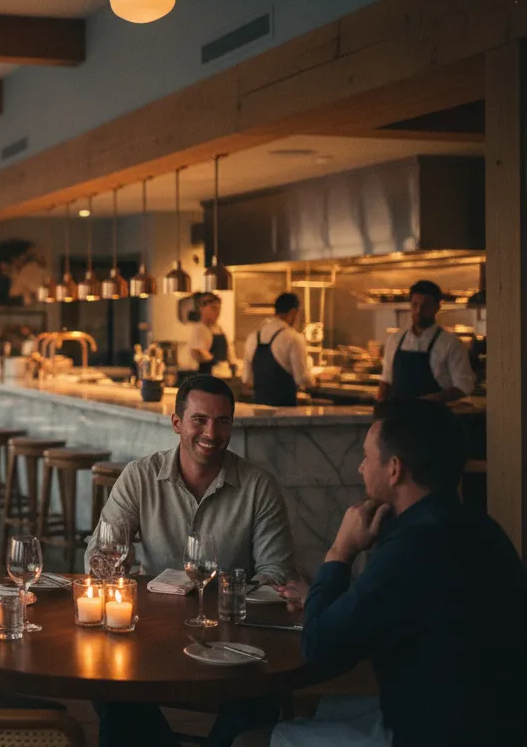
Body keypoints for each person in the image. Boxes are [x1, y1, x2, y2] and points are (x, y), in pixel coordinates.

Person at [238, 400, 527, 747]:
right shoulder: (478, 526)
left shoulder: (414, 547)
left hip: (439, 730)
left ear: (394, 470)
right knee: (327, 706)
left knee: (249, 742)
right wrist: (327, 601)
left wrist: (340, 551)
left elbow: (318, 647)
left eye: (367, 457)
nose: (360, 468)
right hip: (494, 717)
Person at [88, 374, 296, 747]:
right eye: (199, 420)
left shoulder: (258, 486)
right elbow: (102, 551)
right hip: (150, 633)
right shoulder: (140, 476)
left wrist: (230, 599)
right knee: (109, 689)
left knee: (262, 697)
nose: (211, 433)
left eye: (222, 421)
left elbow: (277, 573)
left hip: (232, 640)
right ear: (177, 423)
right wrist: (110, 567)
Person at [376, 280, 475, 402]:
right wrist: (380, 413)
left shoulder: (450, 343)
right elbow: (386, 380)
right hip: (398, 416)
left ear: (437, 307)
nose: (419, 311)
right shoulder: (394, 340)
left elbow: (464, 386)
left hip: (433, 416)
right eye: (415, 305)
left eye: (425, 305)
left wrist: (433, 399)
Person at [242, 293, 316, 407]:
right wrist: (314, 380)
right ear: (293, 312)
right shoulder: (293, 337)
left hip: (259, 410)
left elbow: (246, 378)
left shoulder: (253, 337)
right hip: (285, 410)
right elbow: (301, 378)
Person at [178, 292, 238, 378]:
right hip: (205, 376)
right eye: (213, 308)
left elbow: (229, 350)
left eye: (218, 309)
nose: (217, 312)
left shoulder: (220, 329)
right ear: (202, 308)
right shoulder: (199, 329)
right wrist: (215, 362)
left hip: (222, 375)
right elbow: (198, 352)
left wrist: (232, 363)